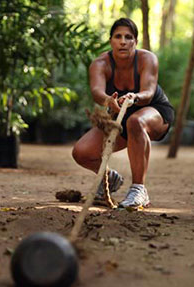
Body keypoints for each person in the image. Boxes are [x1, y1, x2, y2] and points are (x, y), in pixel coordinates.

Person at [72, 18, 174, 209]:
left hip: (155, 112)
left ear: (135, 42)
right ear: (111, 40)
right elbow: (96, 91)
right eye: (118, 36)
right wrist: (108, 100)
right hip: (120, 115)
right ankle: (108, 177)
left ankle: (139, 190)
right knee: (81, 152)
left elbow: (148, 92)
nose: (123, 41)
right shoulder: (100, 64)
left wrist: (134, 97)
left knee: (135, 122)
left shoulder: (147, 59)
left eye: (128, 37)